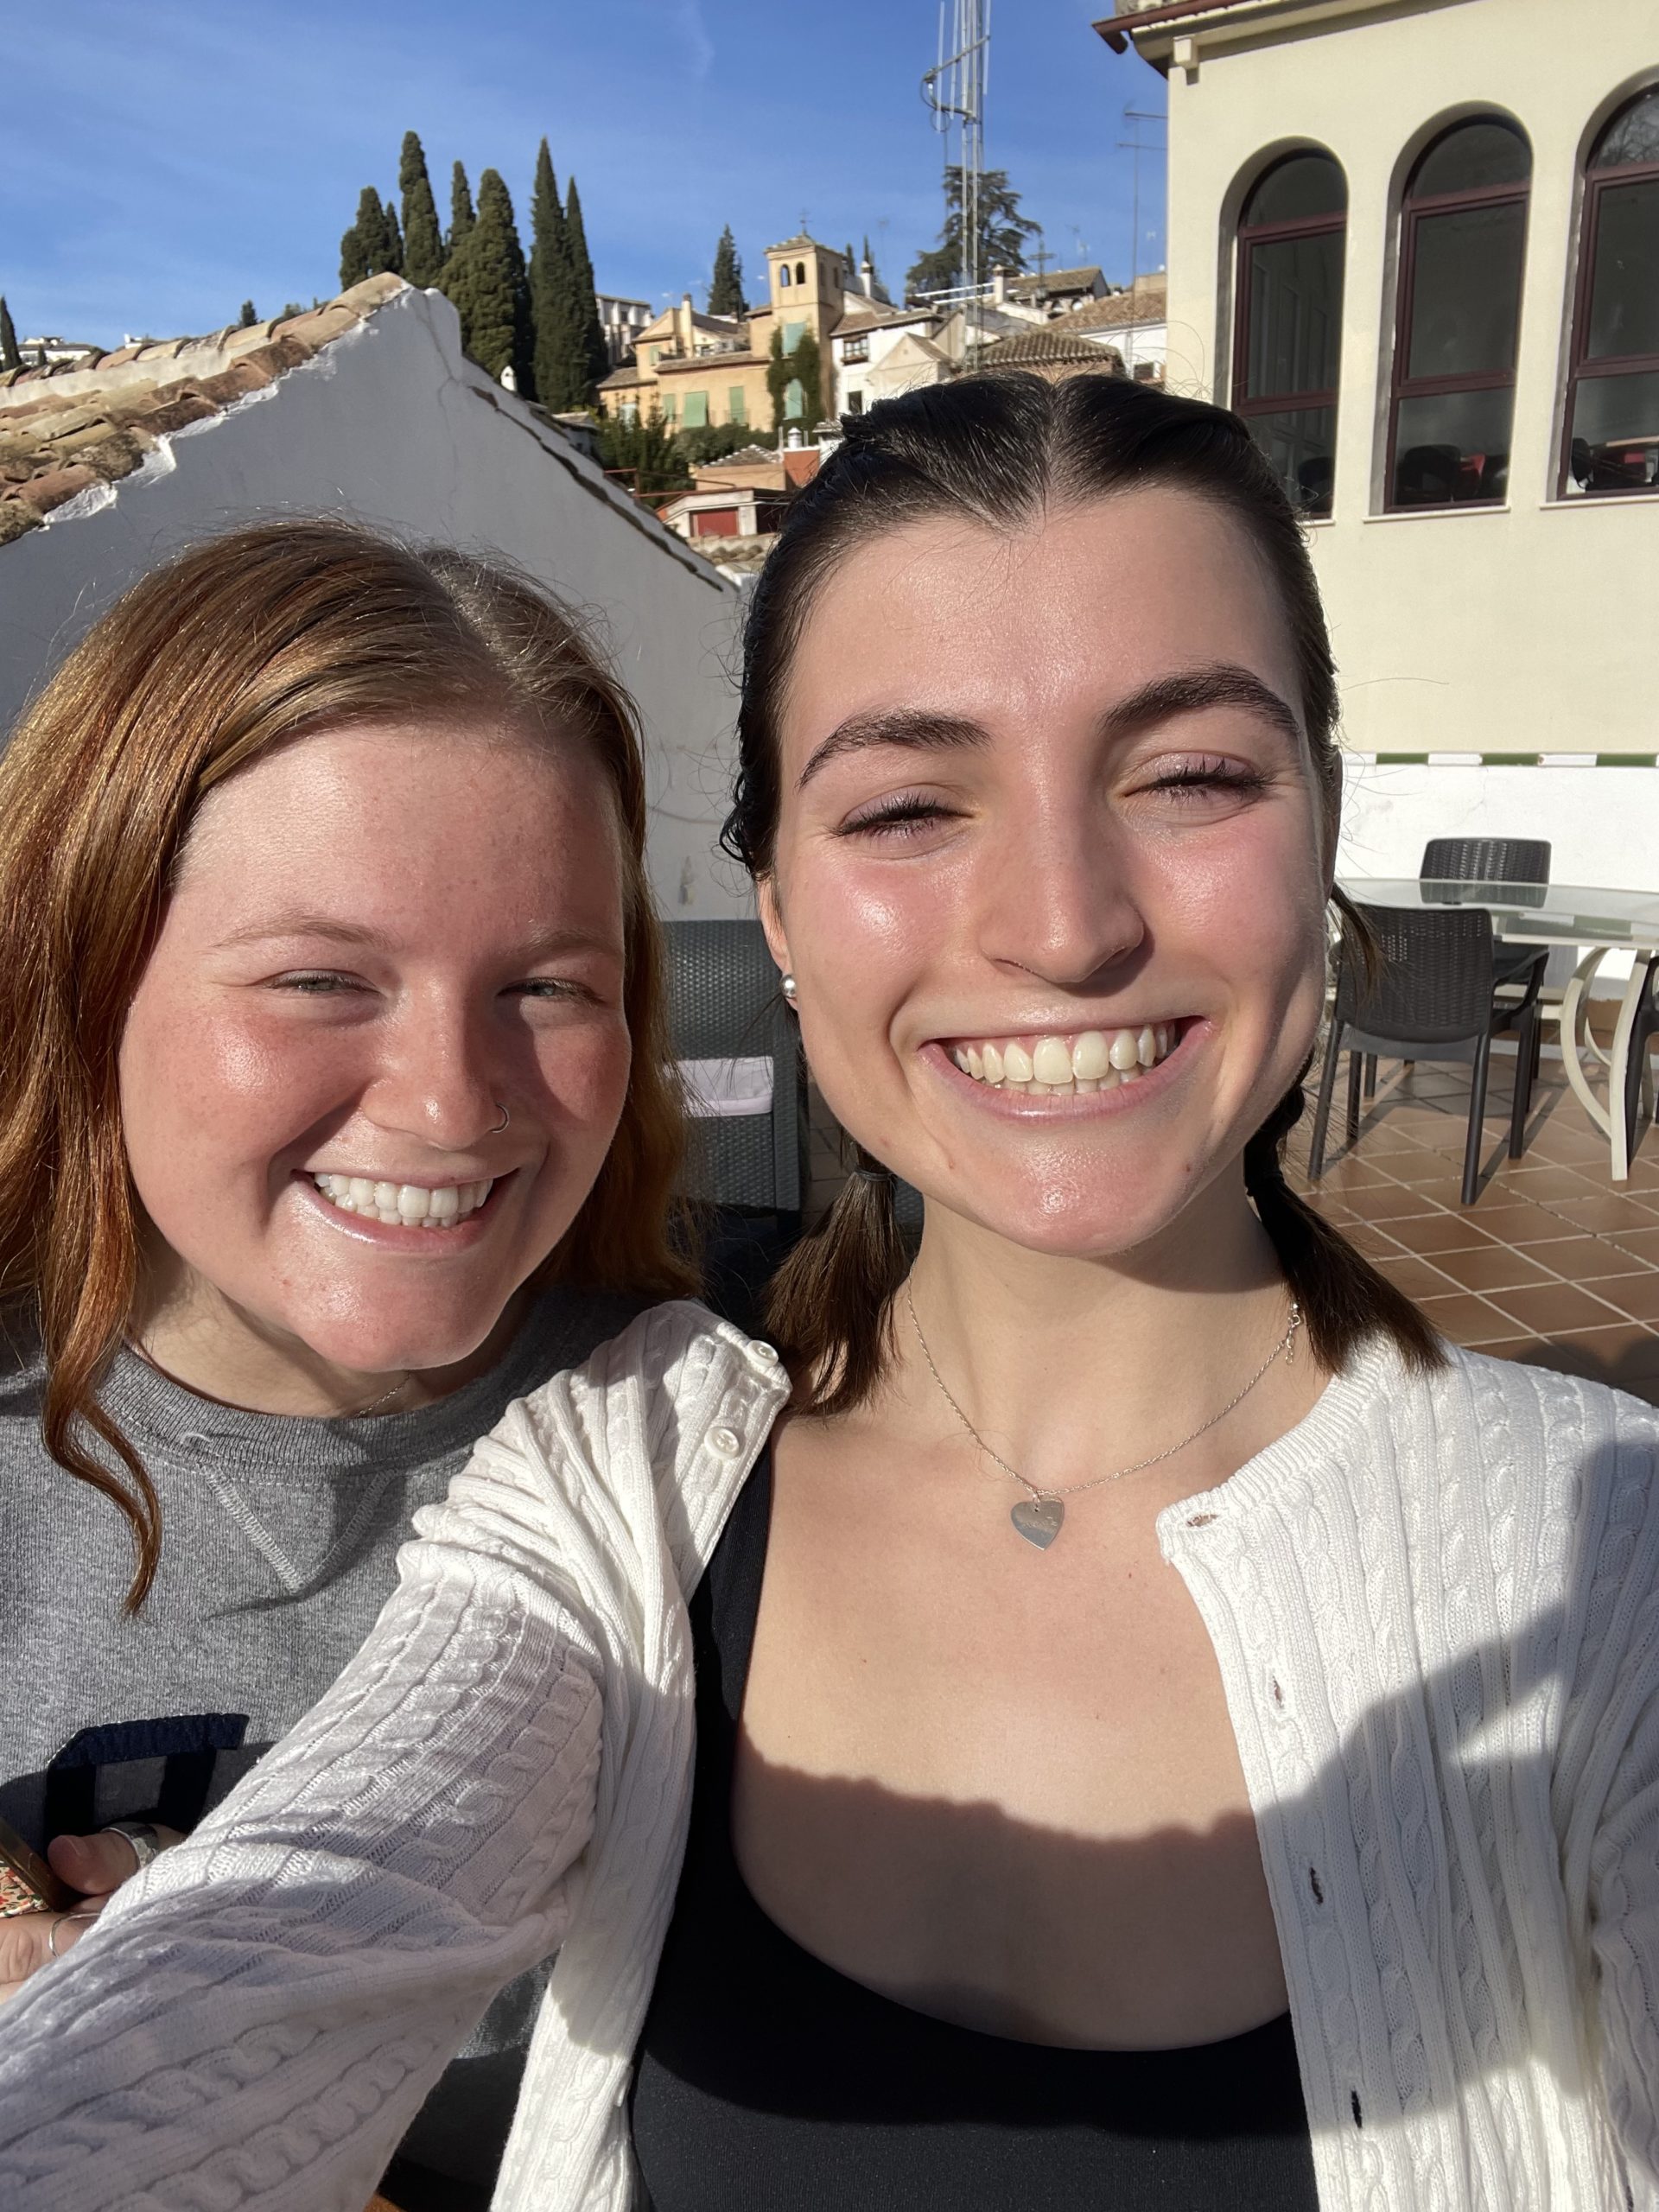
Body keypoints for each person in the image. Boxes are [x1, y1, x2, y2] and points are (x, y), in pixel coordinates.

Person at [3, 377, 1656, 2212]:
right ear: (773, 906)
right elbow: (317, 1915)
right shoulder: (617, 1484)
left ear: (1323, 819)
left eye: (1189, 772)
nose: (1064, 920)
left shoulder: (1608, 1556)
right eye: (907, 802)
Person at [0, 520, 694, 2209]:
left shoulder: (718, 1451)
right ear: (82, 980)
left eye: (546, 983)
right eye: (322, 977)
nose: (450, 1102)